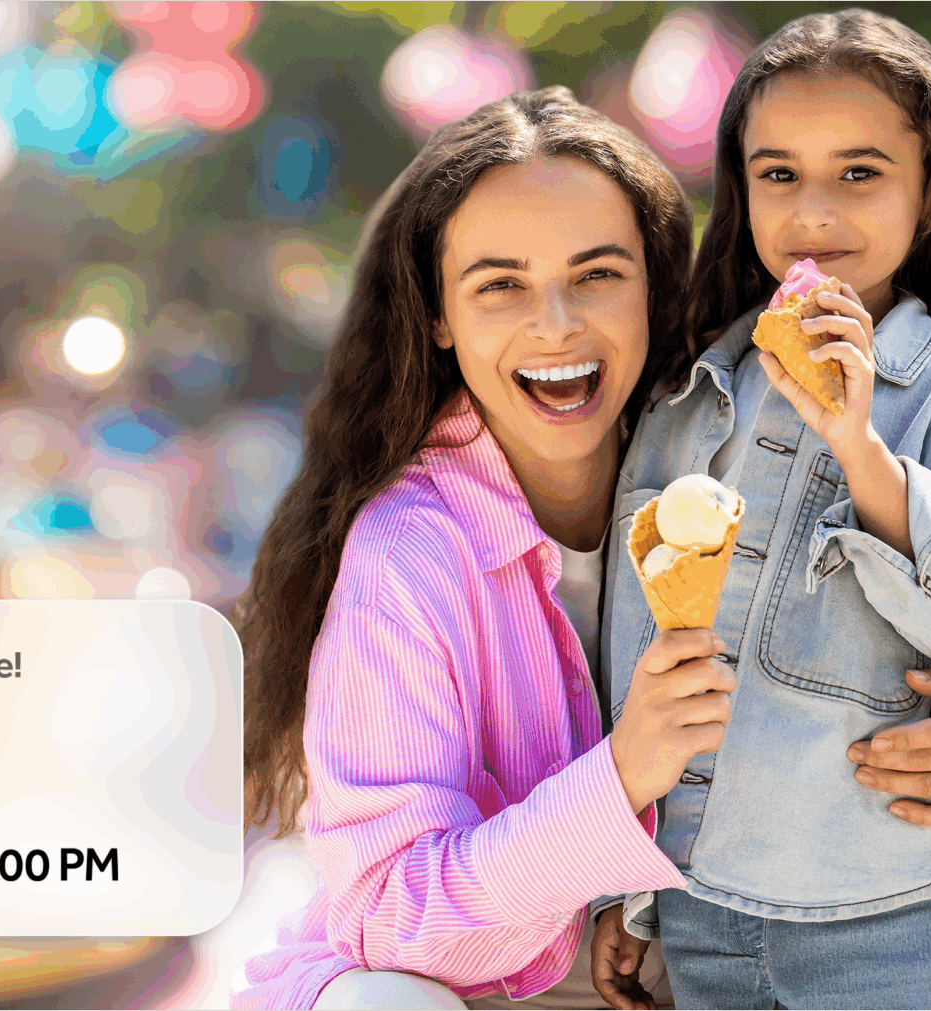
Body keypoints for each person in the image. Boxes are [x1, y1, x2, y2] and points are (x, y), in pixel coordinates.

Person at [590, 11, 931, 1010]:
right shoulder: (685, 396)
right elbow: (638, 657)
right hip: (701, 915)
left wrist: (858, 444)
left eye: (860, 173)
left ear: (930, 189)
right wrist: (630, 888)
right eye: (779, 173)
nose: (814, 213)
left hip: (896, 918)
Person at [233, 87, 725, 1010]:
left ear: (654, 292)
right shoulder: (407, 555)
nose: (556, 323)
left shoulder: (731, 481)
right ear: (438, 316)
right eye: (501, 285)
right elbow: (391, 913)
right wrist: (622, 776)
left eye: (597, 273)